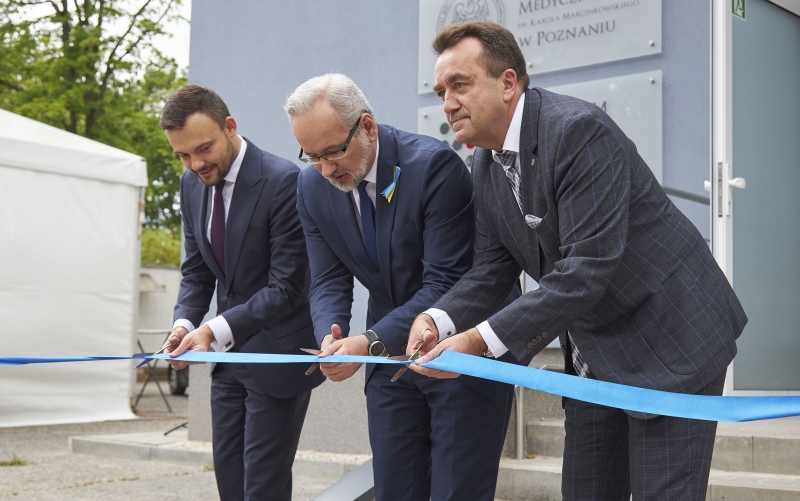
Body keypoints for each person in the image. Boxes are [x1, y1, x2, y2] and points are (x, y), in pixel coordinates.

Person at [409, 22, 748, 501]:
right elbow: (489, 271)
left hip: (672, 343)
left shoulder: (577, 131)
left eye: (459, 85)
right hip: (596, 355)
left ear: (508, 83)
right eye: (441, 90)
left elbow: (585, 268)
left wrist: (477, 342)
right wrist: (437, 320)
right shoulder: (484, 165)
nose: (447, 102)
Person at [284, 73, 519, 501]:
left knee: (455, 492)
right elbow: (327, 276)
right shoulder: (312, 186)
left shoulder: (433, 167)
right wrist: (332, 334)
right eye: (311, 155)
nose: (325, 168)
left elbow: (446, 281)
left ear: (367, 127)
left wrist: (368, 342)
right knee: (394, 489)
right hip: (388, 361)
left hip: (457, 350)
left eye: (333, 151)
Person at [159, 85, 324, 501]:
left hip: (277, 358)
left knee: (262, 489)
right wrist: (183, 326)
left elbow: (287, 287)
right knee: (230, 484)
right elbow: (197, 273)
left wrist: (213, 330)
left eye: (203, 148)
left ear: (230, 127)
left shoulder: (286, 180)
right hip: (225, 363)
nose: (195, 163)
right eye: (182, 155)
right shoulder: (190, 185)